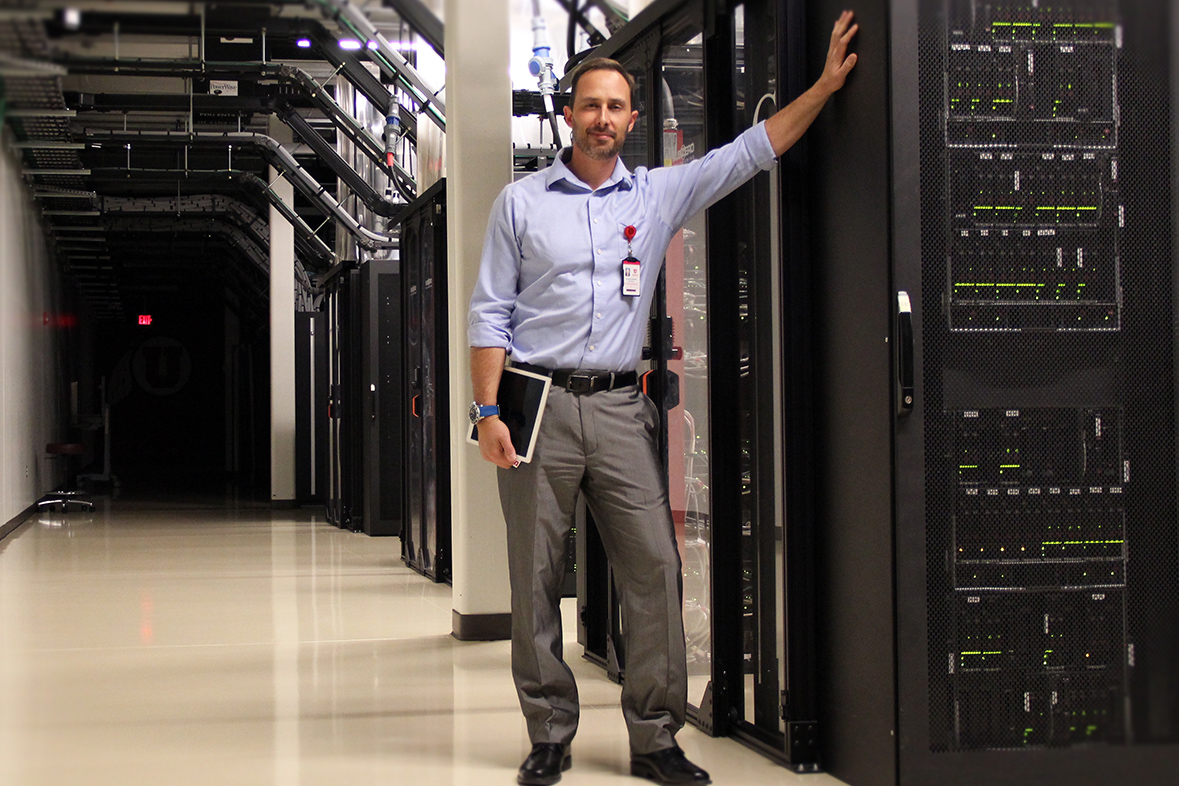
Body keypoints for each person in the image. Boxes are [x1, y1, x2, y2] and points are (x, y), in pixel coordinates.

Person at [468, 11, 858, 785]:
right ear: (568, 112)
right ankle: (549, 735)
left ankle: (655, 740)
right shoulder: (519, 203)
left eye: (615, 107)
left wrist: (822, 87)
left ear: (632, 119)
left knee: (653, 571)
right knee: (534, 579)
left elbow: (754, 150)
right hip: (534, 404)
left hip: (618, 408)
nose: (602, 119)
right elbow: (489, 313)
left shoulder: (656, 196)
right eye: (590, 105)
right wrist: (485, 414)